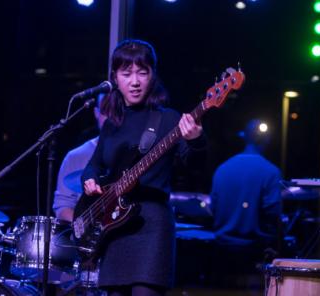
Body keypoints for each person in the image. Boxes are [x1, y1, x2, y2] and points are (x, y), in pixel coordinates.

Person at [82, 39, 206, 296]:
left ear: (153, 75)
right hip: (114, 227)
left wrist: (196, 141)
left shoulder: (169, 118)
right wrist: (90, 180)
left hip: (151, 226)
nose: (135, 81)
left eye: (142, 72)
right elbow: (93, 166)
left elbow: (194, 165)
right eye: (126, 74)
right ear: (115, 78)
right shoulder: (112, 124)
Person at [210, 119, 282, 249]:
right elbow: (272, 213)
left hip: (220, 249)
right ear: (267, 139)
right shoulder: (271, 171)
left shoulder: (222, 169)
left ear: (244, 136)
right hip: (254, 250)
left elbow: (213, 208)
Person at [53, 95, 107, 222]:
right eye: (105, 111)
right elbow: (62, 207)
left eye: (115, 111)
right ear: (96, 113)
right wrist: (86, 227)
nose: (110, 117)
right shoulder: (75, 156)